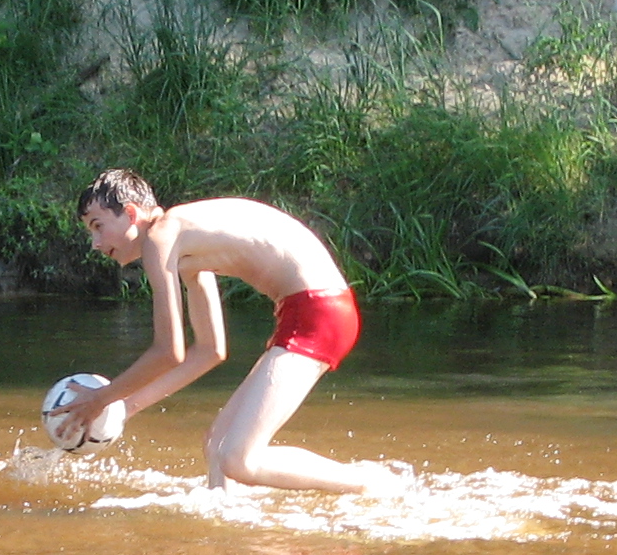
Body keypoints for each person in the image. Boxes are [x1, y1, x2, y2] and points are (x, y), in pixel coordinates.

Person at [56, 168, 401, 494]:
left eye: (98, 226)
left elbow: (168, 351)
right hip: (313, 310)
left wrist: (101, 399)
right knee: (217, 446)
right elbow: (210, 350)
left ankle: (373, 483)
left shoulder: (160, 237)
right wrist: (126, 407)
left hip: (318, 313)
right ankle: (226, 524)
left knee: (239, 459)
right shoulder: (185, 239)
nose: (95, 243)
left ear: (131, 214)